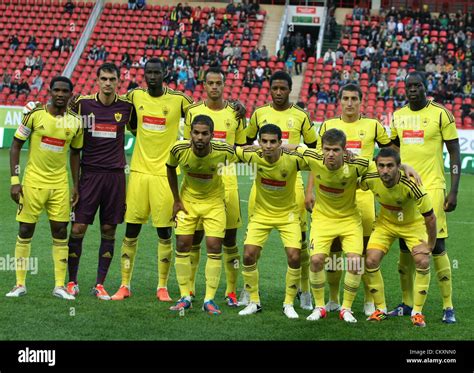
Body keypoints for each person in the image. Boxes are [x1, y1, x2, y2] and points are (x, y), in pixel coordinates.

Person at [300, 129, 419, 323]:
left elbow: (383, 165)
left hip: (349, 220)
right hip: (322, 219)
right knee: (316, 261)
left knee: (356, 261)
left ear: (344, 150)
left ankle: (346, 308)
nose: (330, 154)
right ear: (321, 149)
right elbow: (287, 148)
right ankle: (319, 306)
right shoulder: (312, 157)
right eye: (327, 149)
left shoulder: (358, 163)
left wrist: (404, 165)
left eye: (336, 150)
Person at [110, 58, 194, 302]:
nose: (153, 76)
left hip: (165, 175)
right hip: (138, 172)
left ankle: (162, 286)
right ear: (144, 74)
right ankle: (125, 284)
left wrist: (234, 107)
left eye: (157, 72)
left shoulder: (179, 100)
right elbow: (108, 102)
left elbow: (203, 110)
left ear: (166, 73)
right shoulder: (135, 96)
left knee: (164, 232)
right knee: (131, 229)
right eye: (149, 72)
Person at [306, 83, 393, 317]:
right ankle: (333, 299)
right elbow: (317, 162)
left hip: (363, 195)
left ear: (361, 100)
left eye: (355, 98)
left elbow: (390, 152)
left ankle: (366, 299)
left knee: (362, 251)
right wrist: (309, 191)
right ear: (340, 100)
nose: (350, 102)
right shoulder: (328, 125)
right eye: (346, 98)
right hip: (333, 193)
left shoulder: (373, 125)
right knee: (332, 250)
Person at [389, 72, 461, 324]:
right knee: (404, 247)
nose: (412, 90)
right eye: (408, 86)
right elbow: (394, 151)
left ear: (425, 87)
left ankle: (447, 306)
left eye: (417, 86)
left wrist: (453, 190)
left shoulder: (441, 114)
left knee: (437, 246)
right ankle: (407, 303)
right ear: (404, 89)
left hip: (433, 188)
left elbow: (454, 153)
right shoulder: (397, 116)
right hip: (405, 191)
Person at [244, 70, 317, 311]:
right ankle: (249, 291)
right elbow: (245, 143)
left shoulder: (300, 116)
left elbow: (314, 151)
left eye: (282, 89)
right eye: (274, 88)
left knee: (300, 244)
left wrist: (309, 191)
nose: (278, 93)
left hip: (292, 183)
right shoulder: (259, 114)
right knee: (253, 240)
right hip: (263, 183)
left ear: (289, 90)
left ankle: (304, 290)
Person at [6, 76, 83, 300]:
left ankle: (59, 286)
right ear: (49, 92)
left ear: (70, 94)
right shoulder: (34, 115)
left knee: (60, 232)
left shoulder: (76, 122)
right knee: (25, 231)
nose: (60, 94)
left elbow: (76, 153)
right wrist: (14, 181)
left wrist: (76, 185)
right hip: (32, 184)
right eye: (56, 90)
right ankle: (19, 284)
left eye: (64, 91)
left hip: (59, 185)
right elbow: (15, 146)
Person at [65, 63, 135, 300]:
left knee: (109, 228)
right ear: (97, 80)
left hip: (115, 176)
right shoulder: (82, 104)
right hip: (90, 175)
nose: (107, 83)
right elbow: (73, 147)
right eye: (103, 78)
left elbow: (141, 131)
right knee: (78, 228)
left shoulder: (126, 107)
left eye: (112, 79)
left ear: (118, 81)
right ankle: (72, 282)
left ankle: (100, 284)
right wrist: (74, 184)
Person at [183, 68, 246, 306]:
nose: (215, 87)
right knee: (194, 238)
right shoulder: (193, 112)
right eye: (210, 83)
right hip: (198, 184)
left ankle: (231, 291)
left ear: (224, 84)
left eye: (219, 83)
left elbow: (241, 146)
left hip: (227, 183)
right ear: (204, 84)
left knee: (229, 239)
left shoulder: (235, 113)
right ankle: (189, 289)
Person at [167, 115, 238, 315]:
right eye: (196, 133)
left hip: (214, 203)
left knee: (214, 246)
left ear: (212, 135)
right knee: (182, 244)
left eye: (204, 134)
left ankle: (209, 299)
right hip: (188, 201)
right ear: (190, 133)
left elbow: (246, 154)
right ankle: (185, 296)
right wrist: (176, 200)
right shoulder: (178, 149)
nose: (200, 137)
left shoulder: (223, 151)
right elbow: (170, 168)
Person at [237, 125, 308, 319]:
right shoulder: (252, 156)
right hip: (261, 214)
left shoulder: (292, 160)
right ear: (259, 142)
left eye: (273, 142)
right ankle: (254, 301)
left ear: (280, 143)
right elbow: (228, 148)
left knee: (295, 256)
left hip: (288, 215)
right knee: (249, 254)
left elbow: (315, 155)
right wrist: (246, 146)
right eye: (264, 141)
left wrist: (292, 147)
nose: (268, 146)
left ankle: (288, 303)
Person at [363, 148, 437, 327]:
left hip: (412, 226)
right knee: (370, 260)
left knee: (423, 261)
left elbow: (431, 217)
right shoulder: (371, 178)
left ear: (398, 167)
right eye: (381, 166)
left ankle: (417, 313)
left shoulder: (412, 184)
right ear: (376, 166)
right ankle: (380, 309)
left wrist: (430, 245)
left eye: (390, 166)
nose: (385, 170)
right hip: (385, 224)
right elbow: (351, 178)